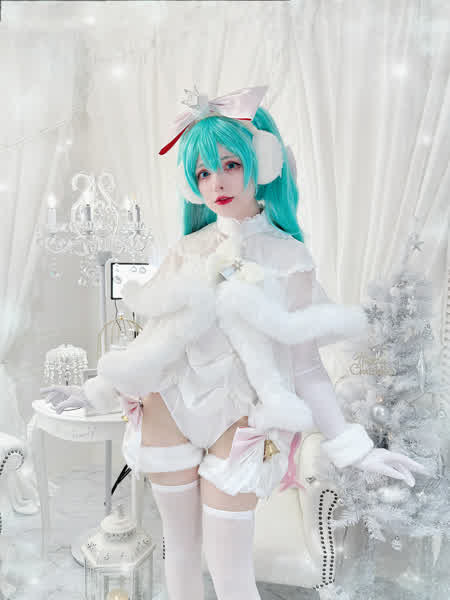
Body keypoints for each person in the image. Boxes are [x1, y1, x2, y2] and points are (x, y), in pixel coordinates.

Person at [41, 85, 427, 600]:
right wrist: (97, 390)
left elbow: (306, 366)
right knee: (179, 552)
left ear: (262, 164)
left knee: (230, 572)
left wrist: (351, 447)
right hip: (167, 405)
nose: (217, 182)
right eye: (203, 172)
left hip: (242, 417)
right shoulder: (188, 249)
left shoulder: (289, 257)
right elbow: (153, 342)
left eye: (230, 165)